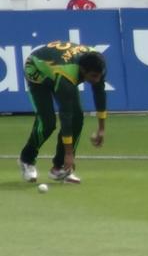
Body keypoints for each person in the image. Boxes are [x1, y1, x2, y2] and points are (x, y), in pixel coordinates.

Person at [18, 41, 106, 186]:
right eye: (93, 76)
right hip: (37, 71)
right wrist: (69, 154)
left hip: (58, 69)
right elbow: (65, 116)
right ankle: (26, 160)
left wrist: (101, 129)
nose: (96, 80)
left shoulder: (98, 64)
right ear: (83, 71)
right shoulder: (68, 76)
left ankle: (58, 168)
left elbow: (100, 93)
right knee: (47, 123)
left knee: (78, 118)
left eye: (99, 76)